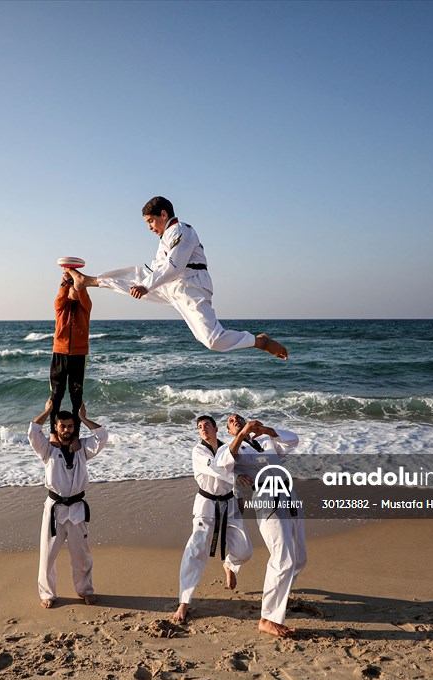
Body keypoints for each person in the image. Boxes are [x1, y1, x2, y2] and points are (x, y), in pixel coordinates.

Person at [69, 196, 288, 360]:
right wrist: (142, 282)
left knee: (212, 340)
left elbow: (174, 266)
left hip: (190, 286)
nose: (149, 227)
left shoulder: (183, 231)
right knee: (135, 273)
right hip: (170, 285)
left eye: (151, 221)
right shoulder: (165, 238)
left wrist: (145, 286)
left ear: (164, 214)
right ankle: (87, 280)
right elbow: (156, 268)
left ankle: (259, 341)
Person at [225, 412, 304, 638]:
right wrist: (240, 435)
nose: (235, 420)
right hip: (266, 497)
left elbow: (292, 441)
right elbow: (226, 462)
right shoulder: (231, 448)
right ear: (229, 431)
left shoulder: (265, 441)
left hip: (289, 494)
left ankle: (279, 597)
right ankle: (267, 618)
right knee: (282, 558)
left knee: (299, 559)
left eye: (238, 417)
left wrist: (267, 431)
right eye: (230, 422)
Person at [172, 415, 253, 624]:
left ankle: (230, 565)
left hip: (230, 503)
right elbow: (216, 468)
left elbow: (241, 472)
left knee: (245, 550)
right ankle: (184, 602)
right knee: (196, 549)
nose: (203, 429)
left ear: (216, 429)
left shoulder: (230, 448)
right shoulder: (198, 451)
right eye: (199, 427)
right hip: (207, 505)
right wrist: (235, 478)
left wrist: (241, 498)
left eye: (207, 425)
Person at [29, 400, 108, 608]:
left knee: (81, 556)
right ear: (56, 427)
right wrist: (47, 411)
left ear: (75, 428)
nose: (66, 429)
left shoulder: (82, 448)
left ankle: (85, 591)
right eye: (62, 426)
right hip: (55, 509)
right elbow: (33, 431)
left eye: (70, 426)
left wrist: (82, 417)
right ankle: (48, 594)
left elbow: (102, 436)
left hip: (77, 508)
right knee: (47, 556)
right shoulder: (48, 450)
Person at [49, 269, 91, 435]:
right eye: (71, 288)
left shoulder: (85, 308)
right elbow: (61, 296)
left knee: (76, 397)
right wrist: (66, 278)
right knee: (56, 396)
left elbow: (84, 294)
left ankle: (75, 436)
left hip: (79, 355)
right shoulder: (60, 307)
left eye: (76, 288)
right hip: (59, 353)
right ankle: (53, 433)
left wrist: (78, 282)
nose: (74, 289)